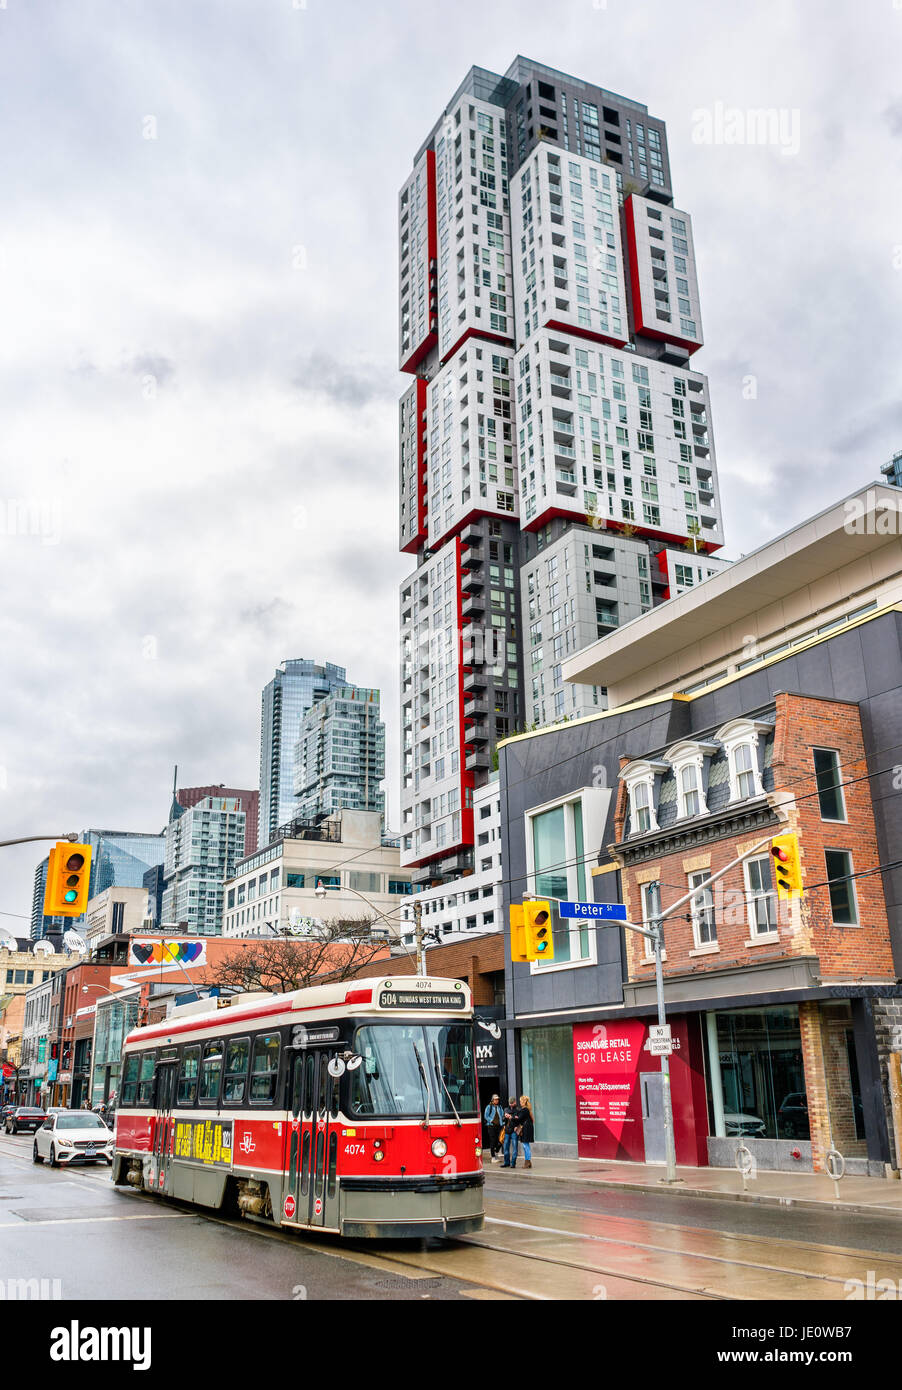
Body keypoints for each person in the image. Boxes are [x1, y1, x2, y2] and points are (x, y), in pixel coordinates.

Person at [516, 1095, 535, 1169]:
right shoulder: (527, 1110)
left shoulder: (524, 1110)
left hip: (526, 1129)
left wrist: (513, 1118)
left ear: (524, 1102)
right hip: (527, 1128)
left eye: (521, 1101)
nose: (520, 1102)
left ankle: (527, 1162)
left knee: (525, 1146)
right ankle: (528, 1162)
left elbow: (519, 1119)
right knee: (526, 1145)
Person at [484, 1094, 504, 1162]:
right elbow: (486, 1116)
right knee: (493, 1141)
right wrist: (491, 1120)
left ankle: (496, 1152)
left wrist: (503, 1123)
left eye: (497, 1099)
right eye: (495, 1099)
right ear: (492, 1100)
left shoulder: (500, 1107)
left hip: (499, 1126)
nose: (497, 1100)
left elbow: (502, 1116)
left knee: (500, 1140)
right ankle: (493, 1157)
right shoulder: (489, 1107)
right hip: (491, 1126)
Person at [501, 1095, 519, 1168]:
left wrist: (512, 1118)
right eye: (510, 1103)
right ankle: (506, 1162)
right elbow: (502, 1119)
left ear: (515, 1102)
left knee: (515, 1147)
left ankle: (513, 1163)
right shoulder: (506, 1109)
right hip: (507, 1130)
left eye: (512, 1103)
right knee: (505, 1147)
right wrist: (505, 1117)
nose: (511, 1104)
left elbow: (519, 1120)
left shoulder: (517, 1110)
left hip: (514, 1130)